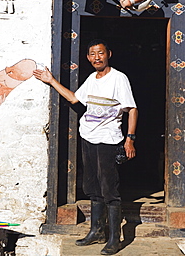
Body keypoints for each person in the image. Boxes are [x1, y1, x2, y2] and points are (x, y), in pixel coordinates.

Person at [33, 39, 138, 255]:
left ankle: (114, 238)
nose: (96, 57)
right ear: (88, 58)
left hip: (108, 140)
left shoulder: (119, 78)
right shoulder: (92, 78)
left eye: (100, 53)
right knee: (92, 185)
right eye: (92, 54)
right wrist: (51, 80)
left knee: (109, 188)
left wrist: (130, 139)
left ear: (109, 53)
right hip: (88, 137)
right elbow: (74, 98)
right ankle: (97, 231)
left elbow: (132, 109)